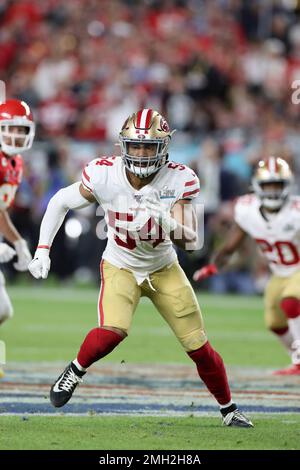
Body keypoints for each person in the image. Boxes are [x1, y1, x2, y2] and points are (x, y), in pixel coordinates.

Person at [28, 108, 253, 427]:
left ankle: (229, 410)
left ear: (164, 147)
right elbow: (60, 202)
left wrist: (165, 220)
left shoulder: (180, 178)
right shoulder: (104, 173)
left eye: (149, 146)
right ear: (124, 145)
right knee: (112, 332)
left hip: (163, 267)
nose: (142, 152)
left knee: (198, 345)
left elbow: (191, 242)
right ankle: (75, 370)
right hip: (121, 263)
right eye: (135, 145)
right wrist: (42, 250)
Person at [193, 156, 300, 376]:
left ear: (287, 186)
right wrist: (214, 265)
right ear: (257, 187)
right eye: (268, 185)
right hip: (279, 273)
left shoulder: (296, 211)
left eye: (277, 185)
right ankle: (295, 358)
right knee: (274, 322)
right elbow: (232, 243)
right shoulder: (247, 209)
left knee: (291, 302)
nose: (272, 191)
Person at [0, 98, 35, 377]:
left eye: (22, 130)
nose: (17, 135)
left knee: (3, 309)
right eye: (11, 128)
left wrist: (19, 243)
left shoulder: (15, 162)